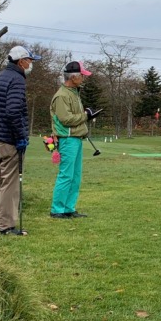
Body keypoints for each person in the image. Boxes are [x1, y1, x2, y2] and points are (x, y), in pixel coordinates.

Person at [0, 45, 41, 236]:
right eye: (30, 60)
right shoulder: (17, 79)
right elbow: (13, 111)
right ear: (21, 61)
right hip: (9, 138)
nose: (31, 64)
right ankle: (5, 225)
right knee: (10, 181)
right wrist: (20, 136)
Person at [49, 61, 100, 219]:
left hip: (76, 138)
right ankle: (57, 209)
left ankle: (68, 208)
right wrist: (86, 116)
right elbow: (66, 119)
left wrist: (86, 114)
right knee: (66, 175)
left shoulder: (74, 93)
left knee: (75, 176)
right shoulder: (62, 96)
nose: (83, 78)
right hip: (67, 139)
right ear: (73, 77)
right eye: (81, 76)